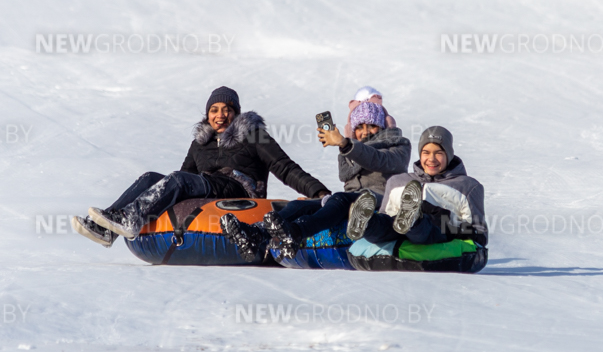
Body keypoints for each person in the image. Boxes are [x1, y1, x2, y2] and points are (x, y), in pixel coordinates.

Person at [73, 86, 330, 246]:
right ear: (207, 115)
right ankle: (108, 230)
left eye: (227, 109)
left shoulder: (254, 135)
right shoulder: (201, 143)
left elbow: (284, 167)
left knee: (179, 180)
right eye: (214, 110)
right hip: (209, 190)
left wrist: (318, 193)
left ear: (236, 112)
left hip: (239, 192)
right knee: (151, 176)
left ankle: (130, 219)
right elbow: (183, 178)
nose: (220, 115)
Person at [220, 96, 410, 260]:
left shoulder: (398, 144)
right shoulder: (351, 147)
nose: (365, 131)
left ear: (383, 126)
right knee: (300, 205)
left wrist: (346, 144)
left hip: (381, 199)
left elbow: (379, 160)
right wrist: (345, 147)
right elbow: (344, 174)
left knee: (340, 199)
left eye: (372, 125)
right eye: (359, 127)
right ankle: (256, 232)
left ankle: (296, 232)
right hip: (353, 199)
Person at [345, 125, 488, 249]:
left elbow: (479, 233)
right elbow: (386, 213)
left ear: (449, 155)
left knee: (426, 225)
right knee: (387, 223)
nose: (431, 159)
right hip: (397, 232)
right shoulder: (398, 181)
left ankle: (413, 219)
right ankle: (367, 223)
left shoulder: (468, 186)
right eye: (426, 153)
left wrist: (447, 221)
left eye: (439, 153)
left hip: (440, 230)